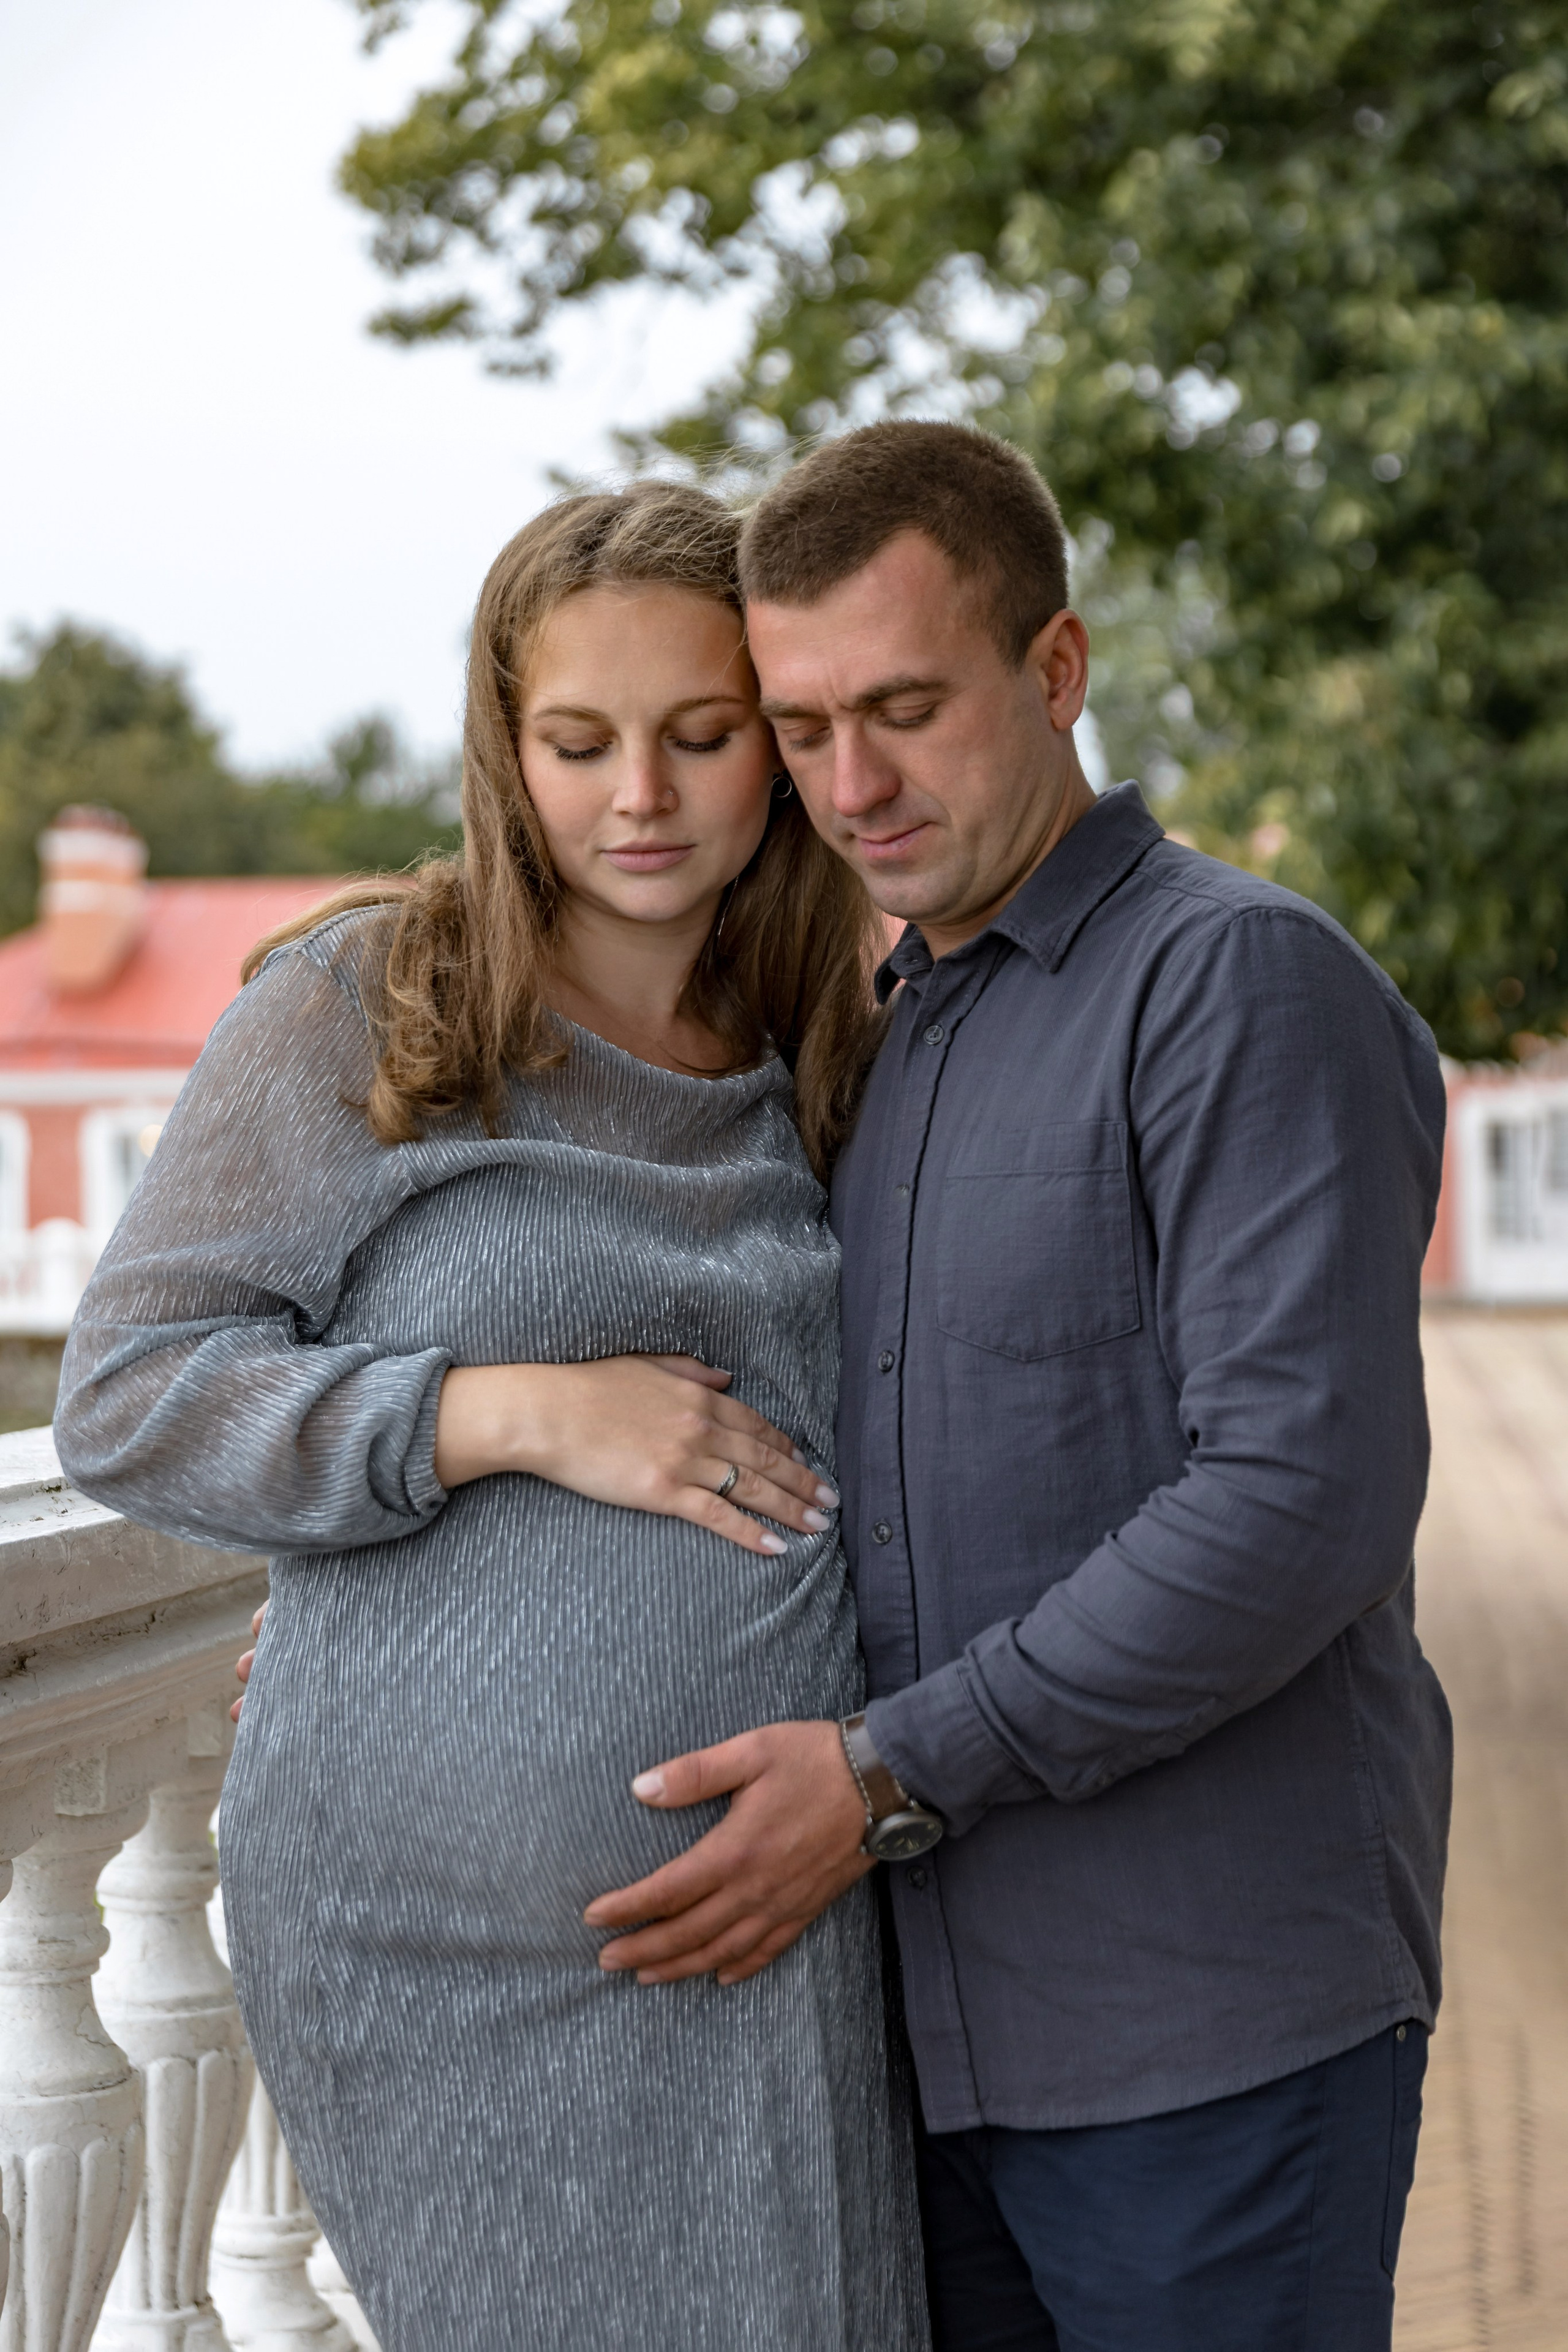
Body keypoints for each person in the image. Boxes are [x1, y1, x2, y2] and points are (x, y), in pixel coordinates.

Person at [579, 424, 1453, 2351]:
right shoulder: (880, 1034)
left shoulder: (1237, 986)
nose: (850, 785)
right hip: (930, 2056)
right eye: (800, 729)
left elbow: (1296, 1501)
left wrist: (887, 1776)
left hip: (1206, 2032)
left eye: (904, 707)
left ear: (1055, 672)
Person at [53, 484, 930, 2352]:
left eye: (702, 737)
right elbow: (127, 1396)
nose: (642, 797)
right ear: (499, 746)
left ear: (772, 746)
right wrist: (503, 1417)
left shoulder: (830, 1033)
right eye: (579, 742)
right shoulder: (369, 1006)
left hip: (768, 1898)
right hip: (426, 1943)